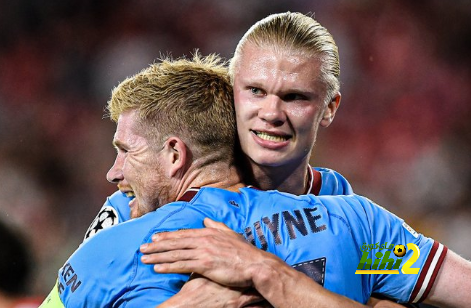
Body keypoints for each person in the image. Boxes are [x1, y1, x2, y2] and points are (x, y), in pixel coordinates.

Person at [139, 12, 471, 308]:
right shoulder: (155, 196)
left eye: (294, 96)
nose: (271, 113)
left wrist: (267, 272)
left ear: (329, 108)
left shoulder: (352, 219)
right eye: (255, 90)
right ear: (232, 93)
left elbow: (388, 265)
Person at [40, 53, 369, 307]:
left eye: (127, 151)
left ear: (174, 155)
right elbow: (406, 277)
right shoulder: (349, 211)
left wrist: (268, 273)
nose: (113, 173)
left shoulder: (118, 238)